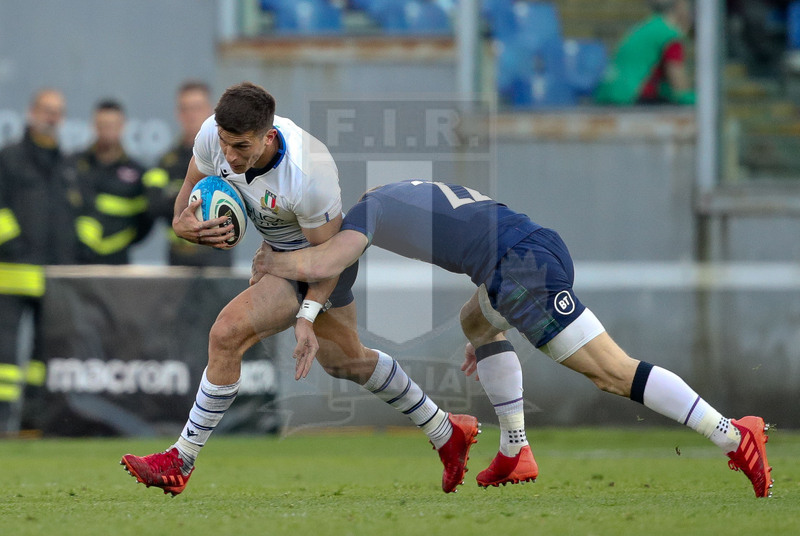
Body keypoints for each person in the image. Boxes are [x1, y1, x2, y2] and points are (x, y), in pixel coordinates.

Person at [250, 179, 773, 498]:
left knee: (611, 372)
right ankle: (515, 451)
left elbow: (329, 259)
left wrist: (273, 259)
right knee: (476, 323)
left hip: (517, 267)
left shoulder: (364, 213)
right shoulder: (389, 192)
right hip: (527, 250)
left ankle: (732, 434)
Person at [120, 82, 478, 496]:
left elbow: (326, 258)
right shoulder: (211, 137)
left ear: (268, 137)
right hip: (279, 257)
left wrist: (306, 315)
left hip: (323, 259)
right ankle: (445, 429)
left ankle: (180, 460)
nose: (230, 157)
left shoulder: (309, 174)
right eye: (225, 144)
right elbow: (185, 202)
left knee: (226, 333)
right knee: (347, 362)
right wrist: (182, 224)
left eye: (241, 146)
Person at [0, 88, 74, 433]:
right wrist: (13, 244)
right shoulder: (9, 157)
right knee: (5, 357)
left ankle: (32, 421)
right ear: (32, 112)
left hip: (52, 275)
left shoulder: (65, 163)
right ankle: (1, 421)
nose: (51, 117)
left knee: (41, 358)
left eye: (57, 112)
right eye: (46, 110)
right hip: (12, 274)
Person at [143, 80, 231, 267]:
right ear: (178, 114)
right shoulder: (165, 162)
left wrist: (177, 198)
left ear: (210, 111)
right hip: (179, 260)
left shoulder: (227, 157)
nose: (191, 115)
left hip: (217, 259)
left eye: (197, 108)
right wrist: (201, 198)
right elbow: (154, 206)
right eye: (185, 109)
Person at [67, 99, 152, 264]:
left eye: (112, 125)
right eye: (102, 125)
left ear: (123, 126)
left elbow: (146, 219)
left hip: (118, 260)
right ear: (93, 126)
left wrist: (122, 242)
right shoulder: (73, 165)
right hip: (76, 259)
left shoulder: (137, 172)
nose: (107, 131)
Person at [595, 0, 695, 105]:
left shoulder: (644, 28)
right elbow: (681, 90)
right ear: (681, 4)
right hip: (631, 99)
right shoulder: (670, 35)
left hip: (607, 94)